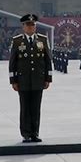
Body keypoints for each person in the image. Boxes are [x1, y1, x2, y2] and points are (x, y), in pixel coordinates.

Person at [9, 14, 52, 143]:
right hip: (23, 81)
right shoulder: (17, 41)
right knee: (25, 108)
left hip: (38, 80)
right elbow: (13, 63)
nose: (31, 27)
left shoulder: (42, 40)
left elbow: (47, 60)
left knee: (36, 108)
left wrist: (48, 78)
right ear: (23, 26)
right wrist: (13, 81)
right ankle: (26, 133)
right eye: (28, 25)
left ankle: (35, 133)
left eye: (33, 25)